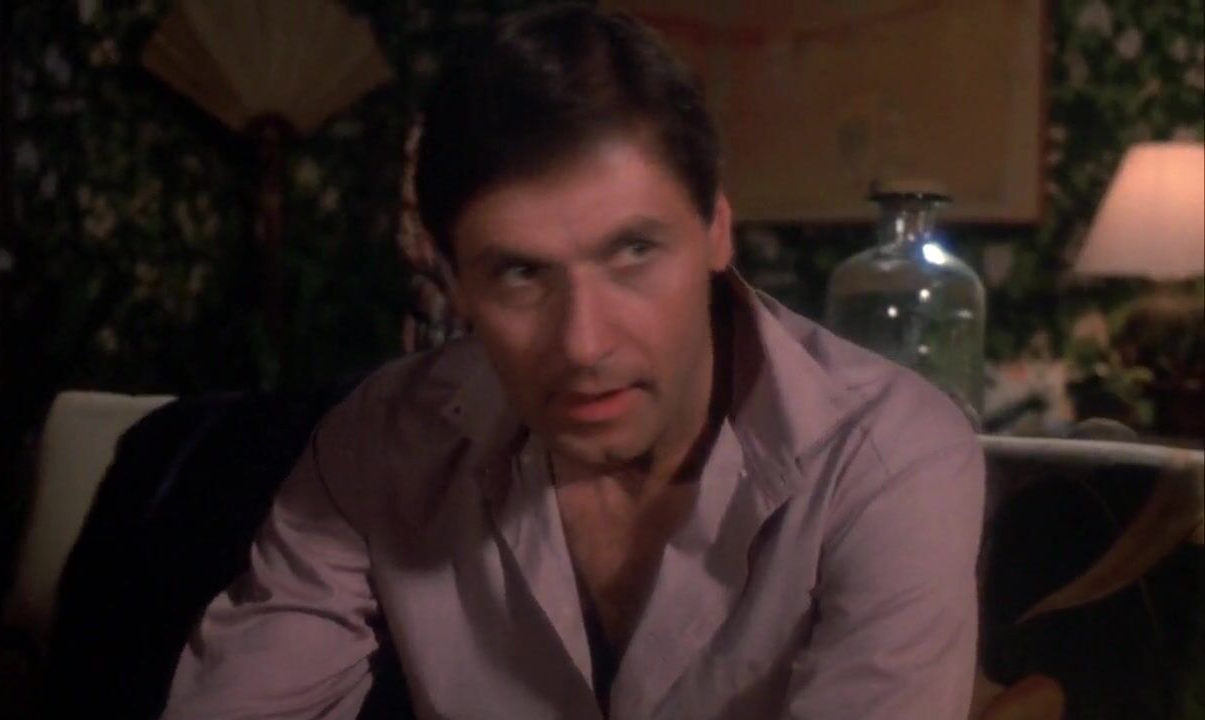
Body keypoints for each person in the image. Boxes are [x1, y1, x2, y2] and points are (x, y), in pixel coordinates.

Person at [162, 5, 984, 719]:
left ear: (717, 230)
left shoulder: (886, 457)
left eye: (633, 252)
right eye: (520, 274)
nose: (585, 345)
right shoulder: (382, 441)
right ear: (453, 281)